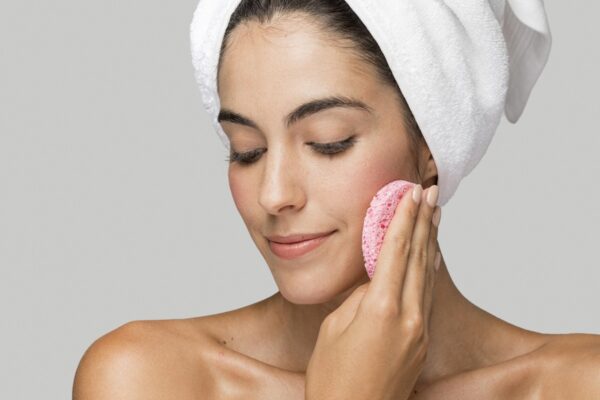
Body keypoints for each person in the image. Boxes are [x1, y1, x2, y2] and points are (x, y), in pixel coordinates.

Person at [72, 1, 600, 399]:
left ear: (432, 146)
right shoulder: (149, 379)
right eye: (247, 150)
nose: (274, 195)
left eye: (330, 142)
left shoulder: (578, 385)